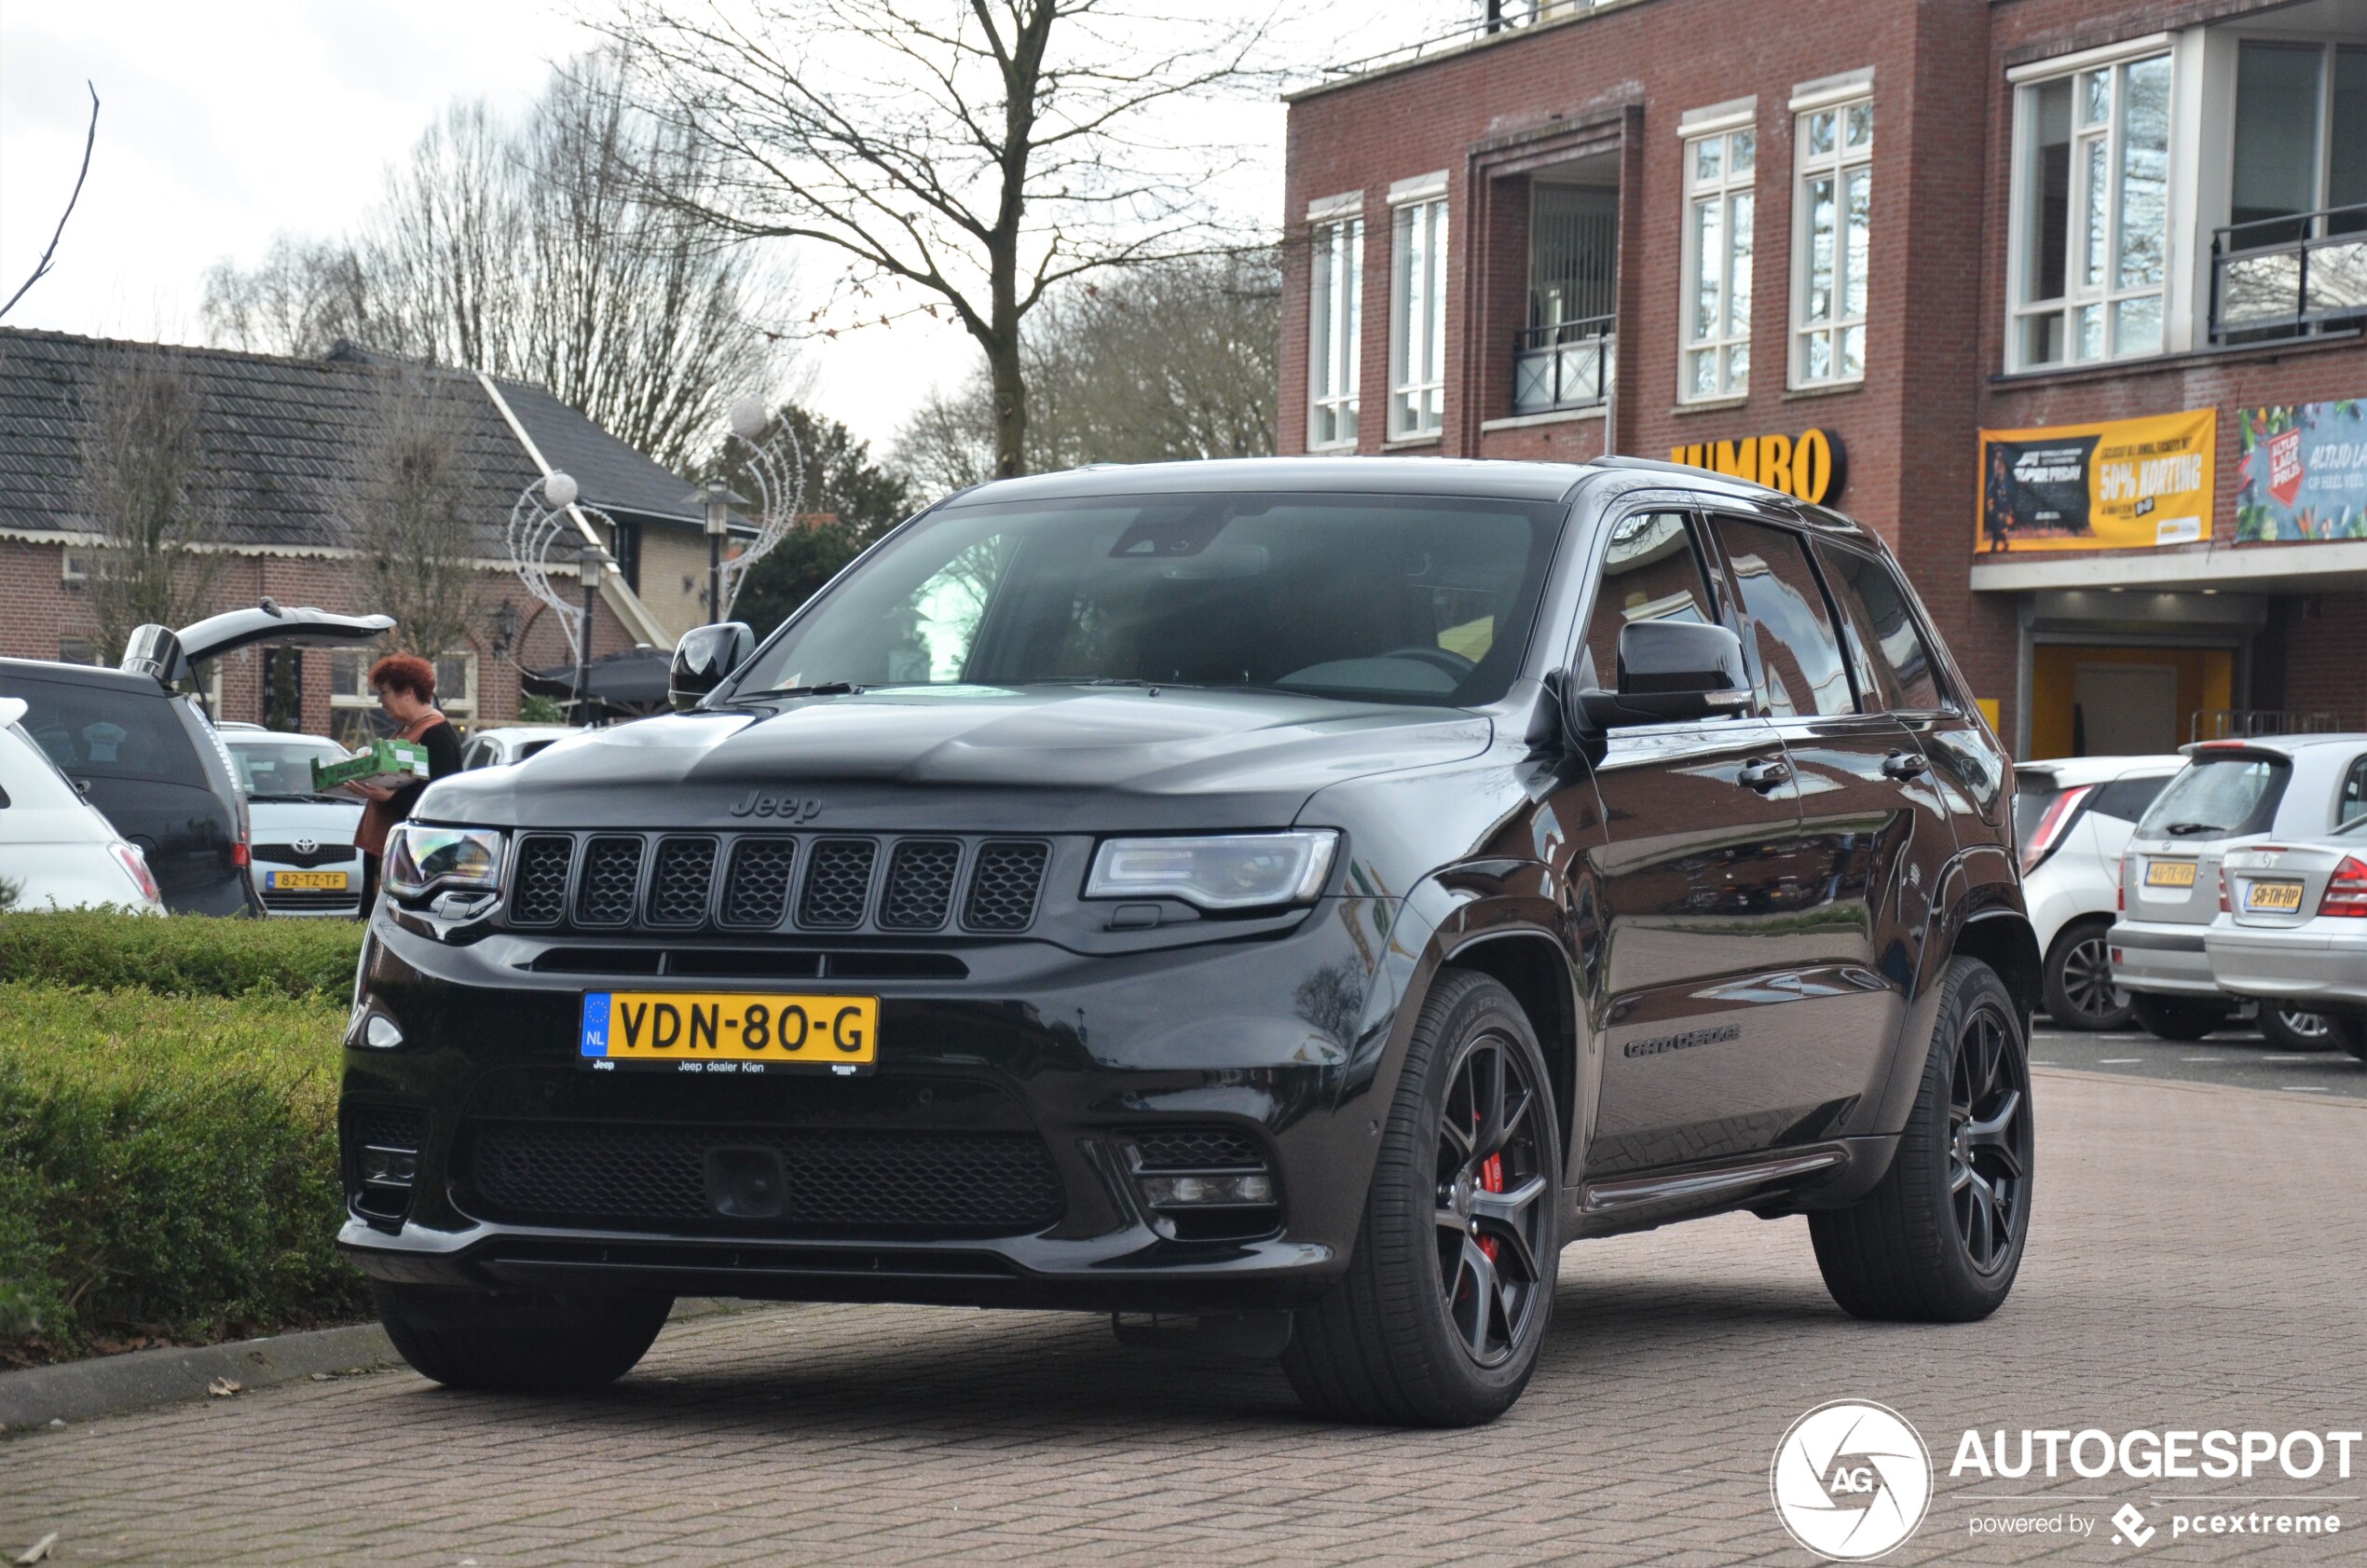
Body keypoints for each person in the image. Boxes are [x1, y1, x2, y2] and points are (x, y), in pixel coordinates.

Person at [350, 653, 463, 912]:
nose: (380, 700)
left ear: (408, 692)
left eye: (384, 692)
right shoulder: (407, 729)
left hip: (410, 855)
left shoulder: (437, 735)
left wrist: (391, 797)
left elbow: (440, 796)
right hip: (386, 846)